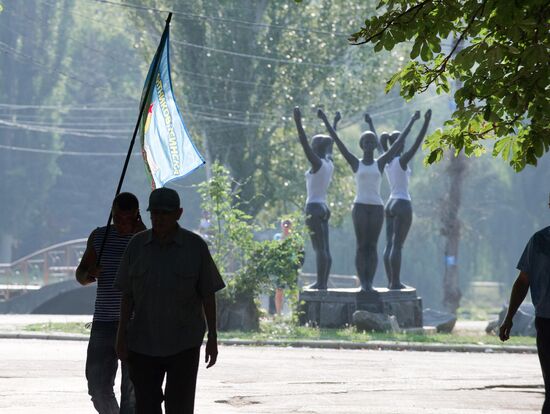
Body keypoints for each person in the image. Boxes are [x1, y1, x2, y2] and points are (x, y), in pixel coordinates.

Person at [115, 187, 225, 414]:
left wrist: (213, 337)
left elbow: (208, 294)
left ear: (179, 213)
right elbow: (127, 295)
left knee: (180, 407)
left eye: (165, 213)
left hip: (183, 344)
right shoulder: (136, 246)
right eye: (154, 213)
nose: (159, 218)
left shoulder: (195, 247)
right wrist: (120, 336)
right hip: (143, 343)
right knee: (146, 407)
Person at [317, 109, 419, 291]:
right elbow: (338, 142)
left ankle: (369, 282)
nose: (370, 144)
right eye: (366, 141)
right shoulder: (355, 162)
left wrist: (412, 121)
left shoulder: (381, 162)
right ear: (361, 144)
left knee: (372, 246)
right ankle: (362, 282)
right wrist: (327, 120)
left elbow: (399, 143)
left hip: (377, 208)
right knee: (361, 246)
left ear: (375, 144)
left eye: (373, 141)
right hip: (360, 207)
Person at [76, 192, 145, 414]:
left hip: (136, 324)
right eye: (118, 219)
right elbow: (80, 275)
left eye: (128, 220)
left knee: (132, 391)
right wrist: (89, 274)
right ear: (112, 214)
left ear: (137, 215)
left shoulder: (147, 239)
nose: (122, 225)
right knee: (97, 387)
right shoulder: (100, 237)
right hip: (104, 322)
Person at [500, 195, 550, 413]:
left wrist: (509, 319)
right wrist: (509, 318)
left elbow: (522, 282)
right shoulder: (539, 241)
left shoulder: (540, 241)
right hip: (547, 322)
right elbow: (523, 282)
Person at [382, 109, 431, 289]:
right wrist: (424, 122)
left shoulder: (385, 159)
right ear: (401, 144)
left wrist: (371, 123)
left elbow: (381, 142)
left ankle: (390, 281)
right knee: (398, 246)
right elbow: (418, 142)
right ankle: (395, 282)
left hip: (389, 203)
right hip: (402, 202)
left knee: (389, 244)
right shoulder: (401, 161)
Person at [293, 106, 334, 290]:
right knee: (325, 248)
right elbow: (331, 142)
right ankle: (323, 282)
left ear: (316, 148)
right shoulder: (328, 163)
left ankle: (320, 282)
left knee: (319, 248)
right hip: (324, 207)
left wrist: (298, 122)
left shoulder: (317, 163)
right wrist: (332, 123)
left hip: (314, 207)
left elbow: (303, 144)